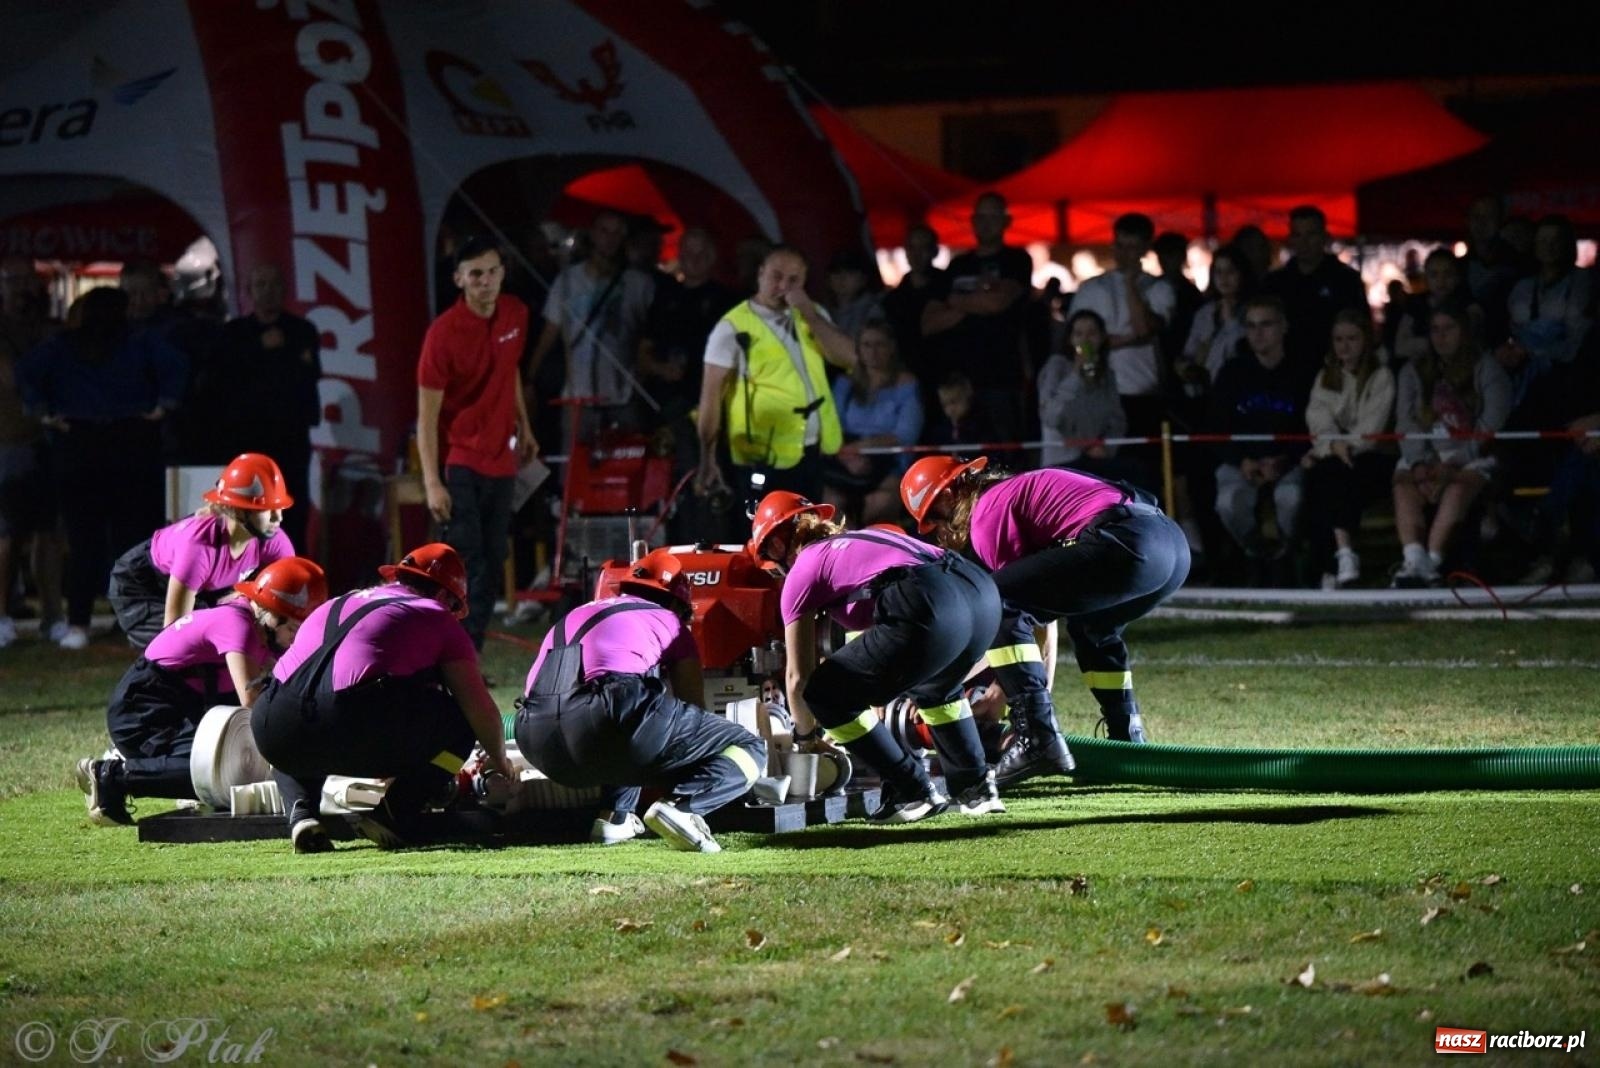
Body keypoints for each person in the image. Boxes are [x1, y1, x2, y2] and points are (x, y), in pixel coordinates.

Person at [901, 456, 1189, 751]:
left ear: (949, 494)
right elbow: (1038, 618)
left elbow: (1007, 613)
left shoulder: (988, 510)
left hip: (1127, 542)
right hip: (1170, 546)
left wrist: (943, 688)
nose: (938, 528)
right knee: (1092, 627)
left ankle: (1037, 736)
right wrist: (1025, 695)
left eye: (935, 515)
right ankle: (1125, 732)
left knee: (996, 599)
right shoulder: (1013, 492)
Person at [748, 490, 1004, 820]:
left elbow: (798, 679)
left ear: (778, 545)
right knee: (938, 687)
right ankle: (977, 788)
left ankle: (910, 789)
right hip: (979, 591)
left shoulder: (804, 568)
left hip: (927, 600)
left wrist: (806, 737)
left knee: (824, 694)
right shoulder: (863, 538)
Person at [250, 543, 515, 854]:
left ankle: (301, 812)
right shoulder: (436, 615)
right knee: (459, 723)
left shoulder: (339, 601)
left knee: (298, 718)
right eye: (455, 608)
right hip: (346, 721)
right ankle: (396, 810)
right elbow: (478, 707)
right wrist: (499, 762)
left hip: (271, 724)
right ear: (445, 597)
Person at [513, 547, 765, 853]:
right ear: (675, 602)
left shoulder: (577, 612)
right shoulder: (670, 621)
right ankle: (682, 808)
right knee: (748, 746)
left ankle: (614, 818)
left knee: (636, 717)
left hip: (536, 737)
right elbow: (692, 706)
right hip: (609, 717)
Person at [76, 557, 327, 826]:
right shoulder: (238, 624)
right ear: (272, 614)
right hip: (143, 709)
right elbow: (252, 702)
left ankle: (138, 764)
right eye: (294, 628)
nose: (295, 638)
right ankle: (111, 775)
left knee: (234, 767)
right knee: (219, 773)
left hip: (178, 703)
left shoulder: (258, 625)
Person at [18, 287, 186, 649]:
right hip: (131, 443)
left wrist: (43, 412)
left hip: (78, 445)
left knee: (83, 543)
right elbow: (178, 369)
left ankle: (79, 623)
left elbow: (26, 374)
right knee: (134, 542)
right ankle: (136, 624)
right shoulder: (139, 340)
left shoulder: (64, 344)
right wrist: (163, 406)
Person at [416, 236, 539, 650]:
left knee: (494, 556)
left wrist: (524, 424)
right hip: (461, 459)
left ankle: (469, 652)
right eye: (475, 275)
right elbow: (427, 416)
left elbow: (511, 370)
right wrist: (432, 481)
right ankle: (455, 651)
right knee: (468, 562)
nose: (485, 282)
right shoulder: (443, 334)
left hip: (501, 459)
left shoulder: (516, 313)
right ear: (459, 280)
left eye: (491, 272)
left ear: (503, 272)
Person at [694, 245, 858, 503]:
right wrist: (707, 457)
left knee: (810, 532)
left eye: (793, 280)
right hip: (763, 456)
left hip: (812, 448)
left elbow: (849, 357)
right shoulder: (731, 327)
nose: (783, 286)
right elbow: (711, 397)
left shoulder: (811, 313)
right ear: (760, 274)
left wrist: (810, 316)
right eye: (776, 276)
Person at [108, 453, 296, 650]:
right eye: (267, 510)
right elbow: (174, 633)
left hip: (201, 589)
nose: (278, 518)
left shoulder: (275, 541)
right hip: (144, 586)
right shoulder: (198, 546)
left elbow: (290, 607)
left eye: (280, 508)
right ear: (239, 510)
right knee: (189, 652)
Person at [1390, 307, 1513, 587]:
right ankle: (1413, 559)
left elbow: (1489, 426)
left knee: (1458, 488)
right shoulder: (1413, 370)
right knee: (1403, 484)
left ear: (1465, 332)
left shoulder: (1487, 368)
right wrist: (1420, 464)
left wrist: (1453, 463)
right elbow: (1405, 422)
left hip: (1472, 455)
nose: (1441, 336)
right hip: (1426, 454)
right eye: (1435, 329)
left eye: (1449, 328)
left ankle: (1431, 563)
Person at [209, 264, 322, 550]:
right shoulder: (234, 334)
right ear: (249, 292)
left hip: (291, 437)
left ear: (284, 291)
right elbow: (223, 379)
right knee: (247, 506)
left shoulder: (302, 330)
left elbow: (309, 374)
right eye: (261, 285)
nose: (268, 292)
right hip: (247, 437)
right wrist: (261, 349)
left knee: (292, 505)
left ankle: (293, 572)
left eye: (274, 285)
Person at [1208, 295, 1314, 580]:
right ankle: (1256, 553)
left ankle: (1284, 555)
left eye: (1266, 325)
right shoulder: (1232, 372)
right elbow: (1215, 429)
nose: (1258, 333)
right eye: (1251, 326)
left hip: (1288, 463)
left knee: (1291, 499)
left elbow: (1312, 427)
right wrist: (1242, 461)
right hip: (1241, 464)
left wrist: (1284, 460)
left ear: (1283, 327)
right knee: (1229, 502)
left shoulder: (1303, 373)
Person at [526, 210, 655, 442]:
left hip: (623, 396)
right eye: (604, 231)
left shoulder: (640, 284)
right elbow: (549, 334)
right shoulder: (567, 281)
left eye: (617, 233)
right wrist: (530, 380)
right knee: (575, 472)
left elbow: (647, 336)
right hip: (579, 399)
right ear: (593, 235)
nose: (610, 238)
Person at [921, 192, 1035, 447]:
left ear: (1006, 221)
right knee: (959, 454)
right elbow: (929, 322)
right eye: (980, 216)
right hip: (958, 379)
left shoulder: (1016, 260)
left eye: (993, 216)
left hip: (1002, 377)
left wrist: (955, 301)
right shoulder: (957, 265)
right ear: (972, 221)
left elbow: (997, 303)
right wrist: (978, 301)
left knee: (1005, 455)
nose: (986, 222)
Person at [1300, 310, 1396, 588]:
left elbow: (1372, 428)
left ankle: (1332, 564)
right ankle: (1340, 559)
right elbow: (1317, 420)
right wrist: (1331, 445)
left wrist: (1332, 447)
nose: (1345, 345)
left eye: (1352, 338)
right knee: (1323, 477)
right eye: (1339, 339)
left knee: (1327, 475)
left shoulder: (1381, 376)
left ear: (1366, 339)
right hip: (1335, 459)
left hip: (1374, 459)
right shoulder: (1325, 377)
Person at [1066, 212, 1176, 438]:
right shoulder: (1091, 288)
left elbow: (1144, 328)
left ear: (1145, 249)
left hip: (1143, 390)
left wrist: (1130, 285)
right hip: (1098, 388)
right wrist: (1128, 340)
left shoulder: (1159, 289)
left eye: (1132, 247)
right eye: (1120, 245)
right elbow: (1077, 340)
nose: (1124, 254)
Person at [0, 255, 63, 647]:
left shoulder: (49, 330)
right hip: (6, 445)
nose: (24, 288)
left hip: (46, 445)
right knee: (5, 537)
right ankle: (2, 617)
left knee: (49, 533)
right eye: (15, 280)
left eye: (29, 281)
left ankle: (53, 617)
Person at [819, 322, 924, 526]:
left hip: (889, 457)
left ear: (891, 347)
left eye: (879, 345)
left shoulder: (907, 384)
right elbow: (832, 425)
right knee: (831, 505)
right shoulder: (845, 384)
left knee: (879, 502)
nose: (873, 352)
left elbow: (906, 434)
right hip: (845, 456)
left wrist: (861, 449)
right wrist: (848, 456)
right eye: (866, 345)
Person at [1261, 205, 1368, 374]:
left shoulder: (1345, 280)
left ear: (1324, 237)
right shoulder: (1275, 283)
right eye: (1298, 235)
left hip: (1334, 372)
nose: (1304, 242)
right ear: (1291, 238)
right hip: (1285, 372)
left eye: (1311, 234)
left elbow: (1360, 327)